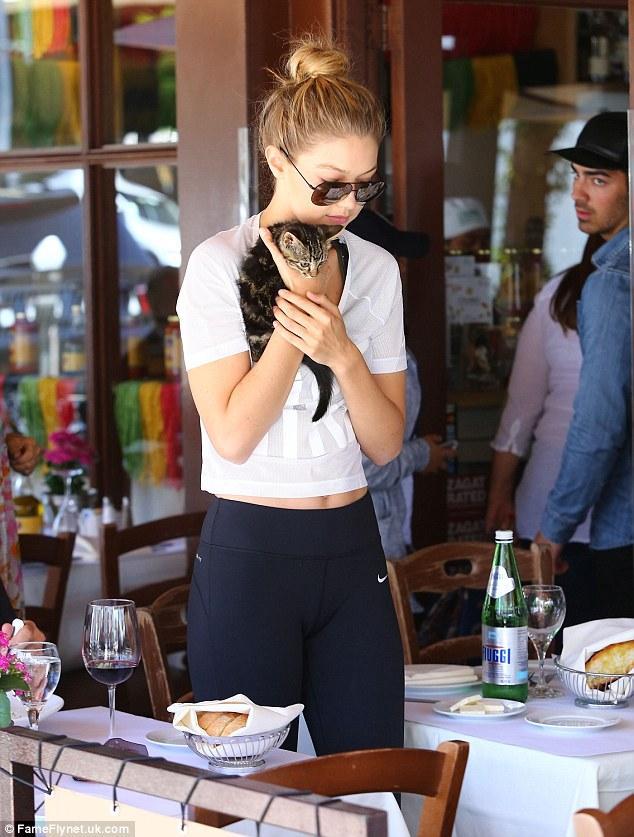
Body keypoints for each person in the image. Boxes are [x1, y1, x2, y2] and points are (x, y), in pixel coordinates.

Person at [177, 37, 406, 754]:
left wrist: (343, 352)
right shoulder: (217, 265)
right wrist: (301, 318)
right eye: (330, 186)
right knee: (252, 791)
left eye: (366, 187)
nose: (349, 206)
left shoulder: (377, 267)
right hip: (253, 550)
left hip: (352, 544)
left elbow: (386, 443)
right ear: (277, 159)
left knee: (371, 781)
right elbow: (232, 436)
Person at [535, 111, 633, 620]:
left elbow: (599, 424)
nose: (578, 193)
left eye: (598, 179)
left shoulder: (613, 282)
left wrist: (554, 528)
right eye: (576, 176)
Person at [486, 235, 602, 628]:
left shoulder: (557, 294)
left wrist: (499, 494)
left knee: (549, 650)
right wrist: (501, 495)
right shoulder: (558, 295)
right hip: (562, 518)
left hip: (548, 511)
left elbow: (520, 413)